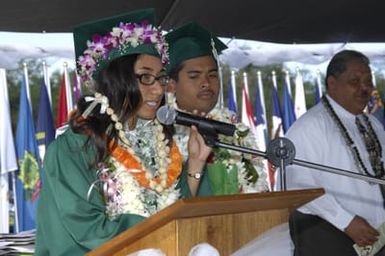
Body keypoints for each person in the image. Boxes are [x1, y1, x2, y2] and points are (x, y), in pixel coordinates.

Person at [35, 9, 212, 255]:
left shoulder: (157, 143)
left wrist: (195, 163)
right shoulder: (75, 147)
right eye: (145, 78)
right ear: (116, 80)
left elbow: (176, 207)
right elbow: (91, 231)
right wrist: (161, 227)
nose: (158, 90)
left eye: (160, 78)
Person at [284, 50, 385, 256]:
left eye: (368, 81)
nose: (364, 88)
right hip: (328, 235)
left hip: (375, 237)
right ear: (332, 83)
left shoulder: (372, 123)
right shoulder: (309, 126)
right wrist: (345, 221)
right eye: (355, 81)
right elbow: (299, 186)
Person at [166, 22, 268, 195]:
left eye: (212, 75)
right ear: (171, 85)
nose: (206, 83)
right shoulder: (161, 134)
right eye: (194, 76)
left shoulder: (236, 131)